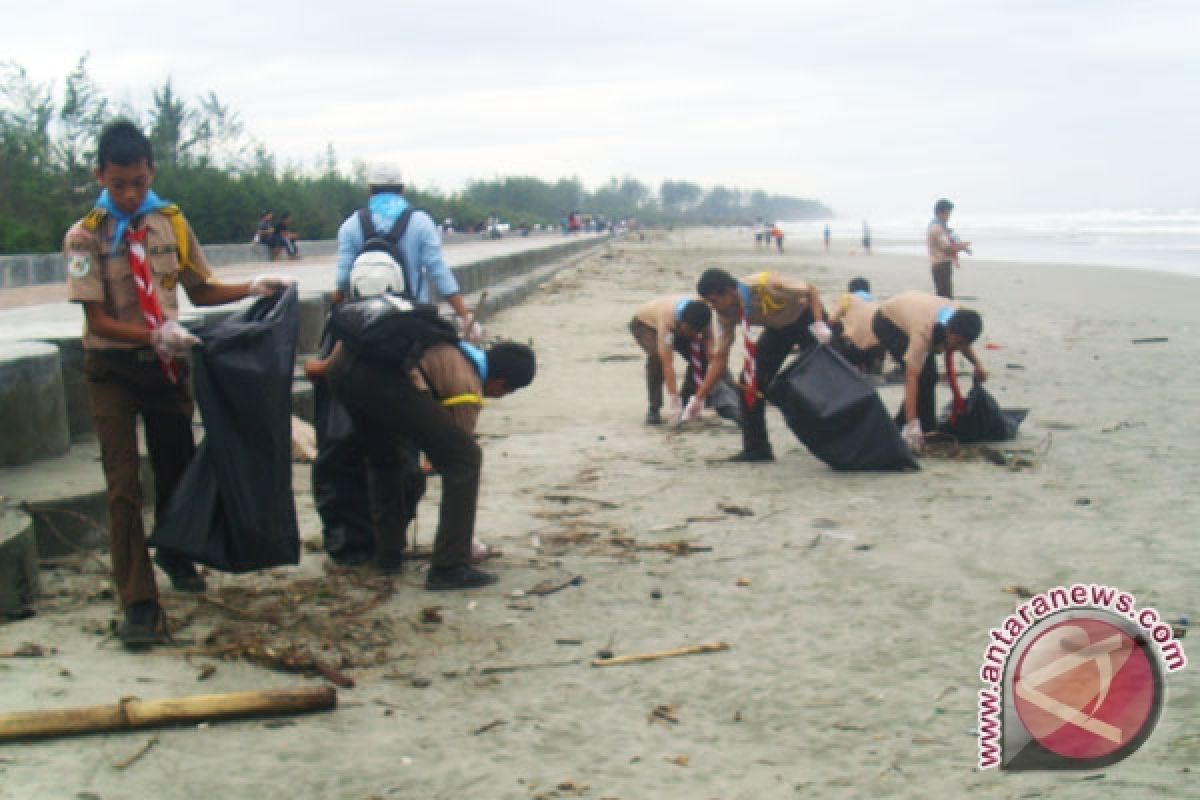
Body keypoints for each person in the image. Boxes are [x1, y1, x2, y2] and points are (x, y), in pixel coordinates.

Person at [63, 119, 292, 647]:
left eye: (138, 182)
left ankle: (175, 549)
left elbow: (200, 289)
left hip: (165, 371)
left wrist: (252, 287)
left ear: (152, 174)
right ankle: (139, 603)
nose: (128, 193)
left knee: (178, 470)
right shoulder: (84, 235)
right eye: (118, 183)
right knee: (123, 487)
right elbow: (96, 321)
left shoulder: (170, 222)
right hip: (113, 371)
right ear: (100, 175)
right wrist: (153, 334)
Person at [306, 326, 536, 590]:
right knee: (467, 461)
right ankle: (450, 567)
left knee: (385, 459)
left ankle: (387, 556)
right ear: (501, 383)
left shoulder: (456, 348)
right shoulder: (468, 384)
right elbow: (454, 456)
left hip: (343, 370)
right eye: (507, 391)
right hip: (378, 381)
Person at [332, 163, 481, 340]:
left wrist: (334, 311)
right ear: (402, 190)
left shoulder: (351, 225)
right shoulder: (421, 222)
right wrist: (464, 316)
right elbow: (439, 273)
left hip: (364, 322)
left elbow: (342, 280)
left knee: (330, 362)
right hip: (414, 319)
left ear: (370, 190)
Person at [697, 268, 831, 462]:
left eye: (714, 301)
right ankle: (756, 448)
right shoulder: (727, 314)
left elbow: (811, 290)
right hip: (778, 330)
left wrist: (819, 324)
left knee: (820, 378)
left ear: (729, 291)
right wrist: (699, 398)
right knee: (750, 383)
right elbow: (720, 358)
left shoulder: (765, 284)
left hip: (806, 318)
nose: (713, 307)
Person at [871, 290, 987, 451]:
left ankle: (920, 425)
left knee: (929, 376)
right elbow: (911, 377)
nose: (957, 347)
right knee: (924, 375)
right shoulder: (923, 331)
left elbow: (964, 342)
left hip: (915, 309)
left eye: (962, 343)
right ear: (948, 331)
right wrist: (912, 425)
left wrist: (977, 364)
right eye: (957, 342)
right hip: (888, 322)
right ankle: (910, 425)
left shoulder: (961, 317)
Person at [629, 295, 738, 426]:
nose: (692, 334)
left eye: (695, 332)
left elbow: (711, 346)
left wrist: (713, 362)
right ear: (682, 322)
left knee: (703, 356)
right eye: (689, 330)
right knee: (656, 357)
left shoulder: (703, 316)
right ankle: (654, 407)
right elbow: (667, 364)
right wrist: (673, 400)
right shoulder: (667, 320)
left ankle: (687, 400)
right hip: (646, 325)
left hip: (684, 326)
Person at [827, 277, 885, 374]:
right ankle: (873, 367)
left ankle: (837, 365)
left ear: (850, 290)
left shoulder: (847, 298)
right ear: (868, 291)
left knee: (833, 327)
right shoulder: (877, 304)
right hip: (876, 350)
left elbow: (830, 321)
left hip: (853, 350)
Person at [928, 198, 972, 298]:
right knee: (945, 297)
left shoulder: (937, 226)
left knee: (943, 295)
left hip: (939, 264)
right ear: (940, 213)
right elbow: (947, 248)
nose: (949, 217)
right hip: (941, 264)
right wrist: (962, 247)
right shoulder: (937, 228)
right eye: (948, 213)